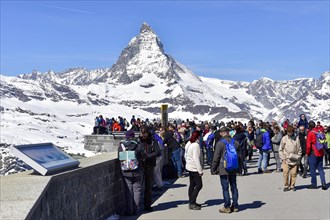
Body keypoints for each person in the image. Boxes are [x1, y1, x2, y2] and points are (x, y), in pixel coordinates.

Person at [211, 126, 240, 214]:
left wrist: (213, 168)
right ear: (228, 132)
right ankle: (235, 206)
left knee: (225, 188)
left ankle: (227, 206)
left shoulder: (220, 143)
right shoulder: (235, 142)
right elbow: (239, 156)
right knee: (234, 186)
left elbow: (216, 157)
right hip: (234, 167)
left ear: (221, 133)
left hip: (223, 168)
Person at [118, 130, 144, 216]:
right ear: (133, 136)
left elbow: (119, 157)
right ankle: (136, 210)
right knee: (137, 190)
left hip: (126, 171)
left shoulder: (121, 146)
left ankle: (129, 210)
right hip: (137, 170)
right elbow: (142, 155)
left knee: (128, 191)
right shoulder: (138, 145)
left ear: (126, 137)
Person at [139, 126, 161, 211]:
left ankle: (147, 205)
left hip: (149, 165)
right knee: (139, 186)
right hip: (140, 165)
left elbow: (158, 151)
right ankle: (137, 205)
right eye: (142, 133)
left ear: (148, 133)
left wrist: (148, 156)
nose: (143, 135)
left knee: (148, 186)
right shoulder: (139, 140)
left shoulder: (153, 141)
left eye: (144, 133)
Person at [279, 125, 302, 191]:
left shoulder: (296, 138)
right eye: (288, 132)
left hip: (294, 158)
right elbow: (280, 149)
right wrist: (283, 158)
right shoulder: (284, 138)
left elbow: (299, 149)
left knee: (294, 173)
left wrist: (298, 157)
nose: (289, 133)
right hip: (286, 159)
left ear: (293, 132)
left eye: (290, 132)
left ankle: (292, 185)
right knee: (285, 173)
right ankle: (286, 185)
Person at [185, 131, 203, 210]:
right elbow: (196, 158)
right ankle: (192, 202)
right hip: (194, 168)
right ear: (198, 137)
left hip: (189, 166)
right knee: (199, 185)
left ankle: (191, 200)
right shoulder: (196, 145)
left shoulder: (189, 143)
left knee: (192, 184)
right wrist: (200, 170)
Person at [306, 121, 327, 190]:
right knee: (320, 169)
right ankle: (323, 183)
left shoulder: (310, 133)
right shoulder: (320, 131)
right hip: (321, 152)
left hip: (313, 153)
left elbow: (308, 146)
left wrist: (307, 153)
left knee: (313, 169)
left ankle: (314, 184)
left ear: (309, 126)